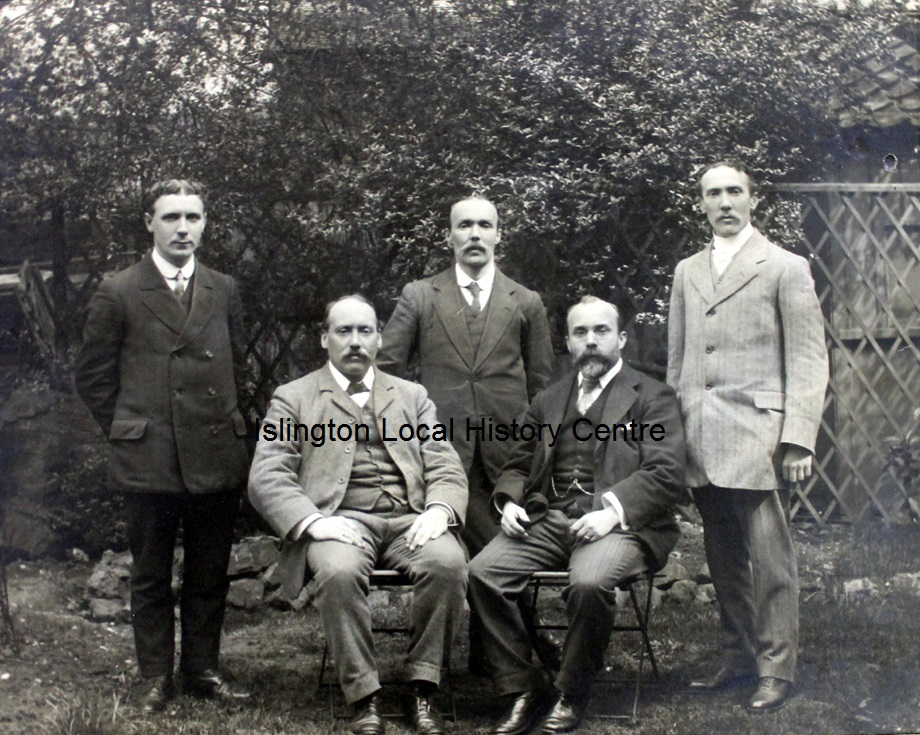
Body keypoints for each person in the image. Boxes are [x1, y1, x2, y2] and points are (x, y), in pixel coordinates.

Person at [248, 295, 468, 735]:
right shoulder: (293, 398)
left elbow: (444, 462)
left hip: (409, 520)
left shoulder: (412, 396)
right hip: (339, 521)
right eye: (343, 331)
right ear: (324, 339)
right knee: (339, 572)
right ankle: (364, 696)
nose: (355, 342)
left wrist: (439, 509)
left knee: (448, 564)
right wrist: (314, 522)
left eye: (364, 331)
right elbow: (267, 474)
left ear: (379, 339)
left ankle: (422, 688)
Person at [468, 296, 686, 735]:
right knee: (482, 573)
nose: (591, 341)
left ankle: (571, 691)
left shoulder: (653, 397)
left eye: (601, 331)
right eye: (580, 333)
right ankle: (522, 688)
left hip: (622, 526)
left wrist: (611, 513)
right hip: (551, 519)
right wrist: (509, 502)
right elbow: (517, 464)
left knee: (589, 582)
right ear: (568, 342)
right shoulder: (549, 400)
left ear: (621, 339)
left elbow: (666, 472)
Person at [75, 179, 251, 712]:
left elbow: (239, 368)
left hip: (214, 450)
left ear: (204, 224)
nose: (182, 228)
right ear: (149, 223)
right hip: (149, 455)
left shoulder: (224, 288)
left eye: (192, 217)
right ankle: (154, 675)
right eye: (171, 217)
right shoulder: (120, 290)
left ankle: (201, 669)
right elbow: (93, 377)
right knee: (150, 573)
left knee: (208, 572)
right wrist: (130, 427)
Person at [667, 160, 829, 712]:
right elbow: (678, 361)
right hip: (700, 434)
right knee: (722, 557)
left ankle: (777, 668)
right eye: (714, 193)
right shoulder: (687, 271)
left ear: (752, 199)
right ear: (701, 204)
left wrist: (798, 438)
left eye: (735, 191)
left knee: (770, 559)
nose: (725, 202)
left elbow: (808, 359)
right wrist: (674, 434)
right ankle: (738, 656)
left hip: (758, 434)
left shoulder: (784, 266)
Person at [378, 196, 554, 555]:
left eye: (484, 225)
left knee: (506, 551)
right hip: (441, 451)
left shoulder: (525, 301)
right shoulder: (420, 296)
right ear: (450, 236)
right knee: (455, 551)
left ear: (498, 235)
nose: (475, 234)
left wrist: (532, 454)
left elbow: (542, 390)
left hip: (507, 455)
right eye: (465, 225)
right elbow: (385, 374)